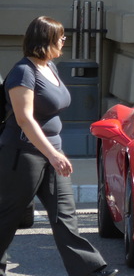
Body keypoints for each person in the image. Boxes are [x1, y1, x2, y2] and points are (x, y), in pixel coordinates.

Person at [0, 16, 119, 276]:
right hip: (23, 155)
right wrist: (53, 154)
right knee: (8, 217)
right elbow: (24, 119)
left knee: (64, 215)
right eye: (61, 37)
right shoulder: (23, 72)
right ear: (46, 40)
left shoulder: (50, 68)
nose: (65, 41)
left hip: (51, 153)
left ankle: (91, 269)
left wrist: (55, 153)